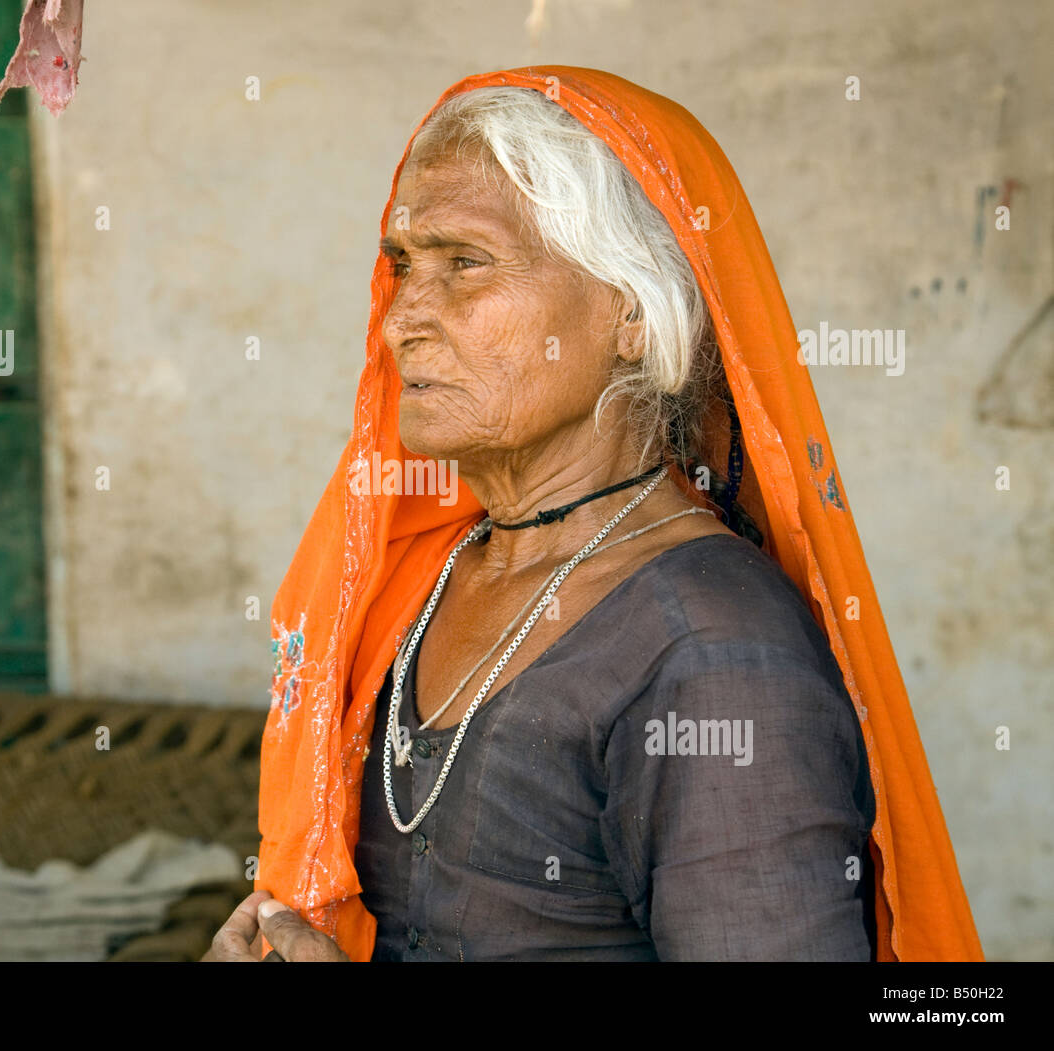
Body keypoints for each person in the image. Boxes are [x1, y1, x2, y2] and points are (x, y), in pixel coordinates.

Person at [203, 67, 983, 962]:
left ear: (632, 312)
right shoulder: (429, 574)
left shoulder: (712, 655)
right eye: (402, 266)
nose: (402, 316)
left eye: (465, 263)